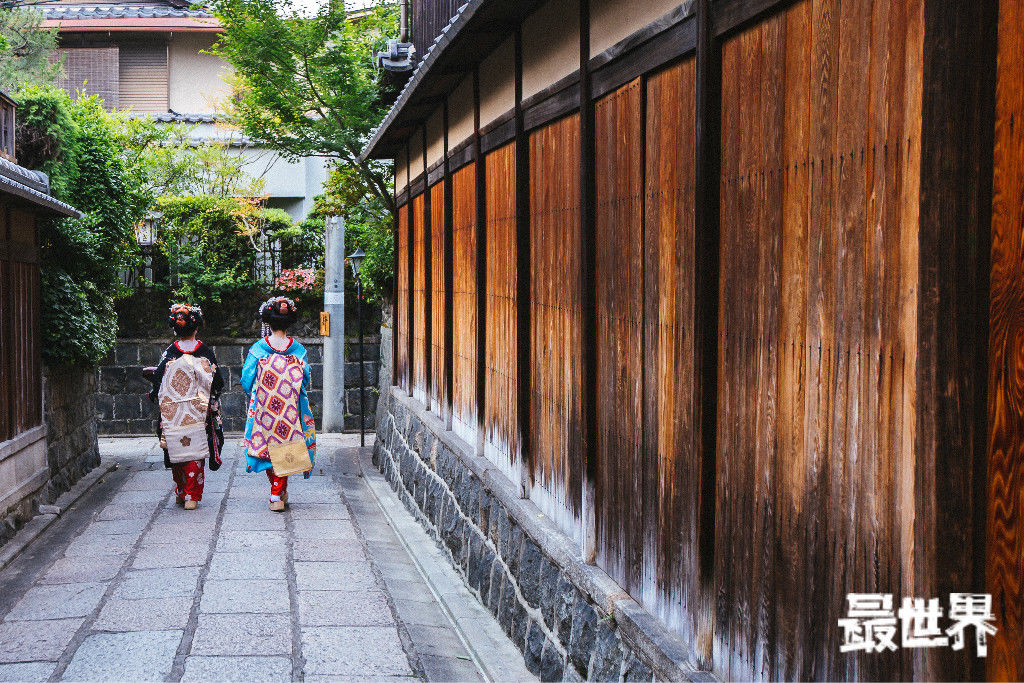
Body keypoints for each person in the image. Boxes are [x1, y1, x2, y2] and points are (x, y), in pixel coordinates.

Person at [241, 296, 316, 511]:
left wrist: (258, 393)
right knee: (286, 444)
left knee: (266, 447)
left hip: (264, 406)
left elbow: (247, 379)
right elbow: (306, 378)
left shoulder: (258, 349)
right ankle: (279, 491)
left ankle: (276, 494)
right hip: (291, 406)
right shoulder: (298, 350)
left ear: (268, 322)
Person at [150, 303, 225, 510]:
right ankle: (192, 495)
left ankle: (181, 490)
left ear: (175, 329)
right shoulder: (205, 352)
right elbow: (217, 382)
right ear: (197, 327)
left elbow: (157, 381)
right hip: (199, 413)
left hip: (174, 413)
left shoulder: (170, 352)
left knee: (176, 449)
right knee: (196, 450)